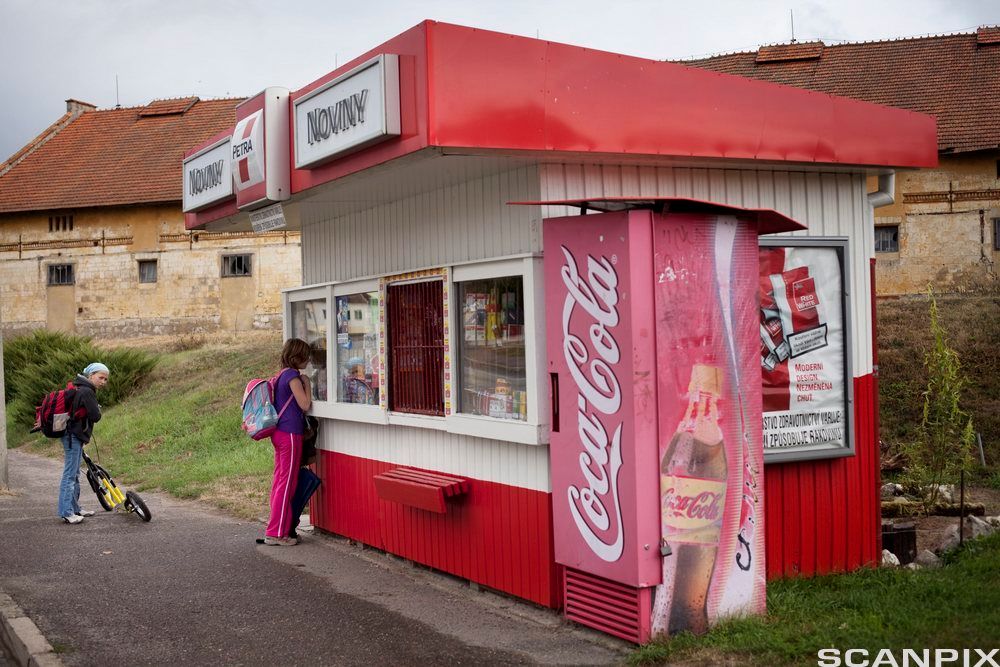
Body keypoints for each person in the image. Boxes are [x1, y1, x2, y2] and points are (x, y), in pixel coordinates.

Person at [263, 338, 312, 546]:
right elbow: (304, 404)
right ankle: (277, 534)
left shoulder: (279, 376)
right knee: (287, 484)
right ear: (297, 357)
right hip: (291, 434)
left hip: (280, 434)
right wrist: (307, 384)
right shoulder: (292, 376)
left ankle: (275, 529)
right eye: (306, 356)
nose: (309, 360)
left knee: (280, 482)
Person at [59, 362, 108, 524]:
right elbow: (95, 416)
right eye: (101, 377)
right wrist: (97, 409)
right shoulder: (87, 391)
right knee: (70, 475)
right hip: (73, 436)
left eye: (106, 379)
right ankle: (66, 512)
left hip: (73, 435)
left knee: (75, 474)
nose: (103, 381)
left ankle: (75, 508)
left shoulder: (81, 388)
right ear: (91, 375)